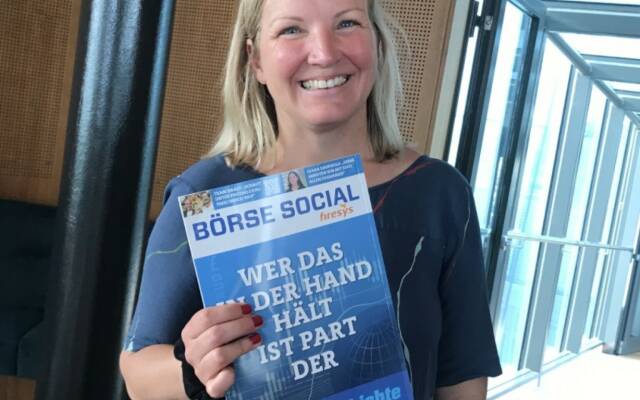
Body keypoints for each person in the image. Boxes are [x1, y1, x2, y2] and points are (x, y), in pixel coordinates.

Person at [119, 0, 502, 399]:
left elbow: (462, 381)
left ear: (377, 43)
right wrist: (193, 366)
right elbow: (137, 374)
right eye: (291, 29)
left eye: (347, 23)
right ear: (255, 59)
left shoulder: (438, 193)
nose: (324, 53)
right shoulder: (203, 194)